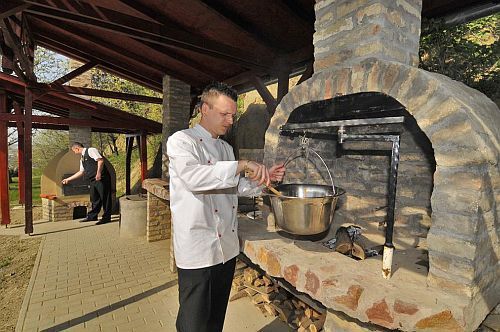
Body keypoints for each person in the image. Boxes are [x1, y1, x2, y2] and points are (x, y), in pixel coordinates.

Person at [167, 82, 285, 332]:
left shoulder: (225, 148)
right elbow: (195, 178)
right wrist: (242, 165)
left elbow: (234, 188)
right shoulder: (182, 141)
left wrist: (264, 182)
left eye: (233, 114)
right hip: (198, 249)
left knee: (215, 319)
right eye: (224, 114)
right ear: (205, 109)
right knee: (193, 323)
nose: (231, 120)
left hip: (226, 249)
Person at [62, 142, 112, 225]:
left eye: (74, 151)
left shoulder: (91, 150)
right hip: (93, 180)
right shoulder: (82, 158)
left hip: (102, 178)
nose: (74, 153)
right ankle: (92, 216)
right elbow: (81, 172)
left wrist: (98, 173)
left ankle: (106, 218)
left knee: (105, 198)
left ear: (77, 148)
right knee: (94, 198)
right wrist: (68, 179)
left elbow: (100, 160)